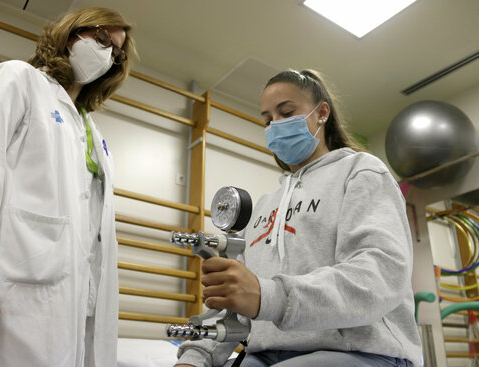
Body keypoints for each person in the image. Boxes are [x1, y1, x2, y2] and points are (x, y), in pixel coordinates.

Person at [175, 69, 422, 367]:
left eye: (287, 112)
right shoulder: (266, 206)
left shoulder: (361, 171)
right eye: (268, 120)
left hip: (360, 351)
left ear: (322, 113)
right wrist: (195, 356)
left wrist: (270, 296)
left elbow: (380, 276)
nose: (275, 125)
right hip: (264, 354)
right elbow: (238, 301)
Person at [0, 7, 136, 367]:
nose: (107, 55)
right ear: (70, 33)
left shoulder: (92, 134)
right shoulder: (17, 79)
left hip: (69, 314)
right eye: (102, 39)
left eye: (116, 53)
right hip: (8, 299)